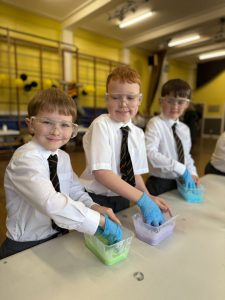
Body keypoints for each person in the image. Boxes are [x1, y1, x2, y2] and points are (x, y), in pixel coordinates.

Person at [0, 87, 122, 259]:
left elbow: (75, 190)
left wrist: (93, 206)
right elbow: (52, 203)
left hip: (58, 236)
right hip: (26, 244)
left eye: (64, 125)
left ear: (73, 129)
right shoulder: (24, 159)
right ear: (31, 124)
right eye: (47, 122)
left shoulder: (62, 157)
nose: (56, 131)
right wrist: (99, 221)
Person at [80, 65, 170, 227]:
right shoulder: (101, 125)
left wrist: (148, 197)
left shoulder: (137, 133)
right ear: (107, 98)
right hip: (96, 198)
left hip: (123, 197)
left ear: (139, 100)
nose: (123, 103)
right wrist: (142, 199)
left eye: (130, 97)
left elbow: (133, 173)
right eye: (116, 97)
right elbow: (102, 173)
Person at [145, 79, 199, 196]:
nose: (175, 106)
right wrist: (180, 168)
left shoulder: (185, 129)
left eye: (180, 102)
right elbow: (150, 152)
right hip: (159, 183)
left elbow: (186, 155)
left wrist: (192, 173)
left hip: (180, 181)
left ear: (187, 104)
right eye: (170, 101)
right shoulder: (155, 123)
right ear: (161, 101)